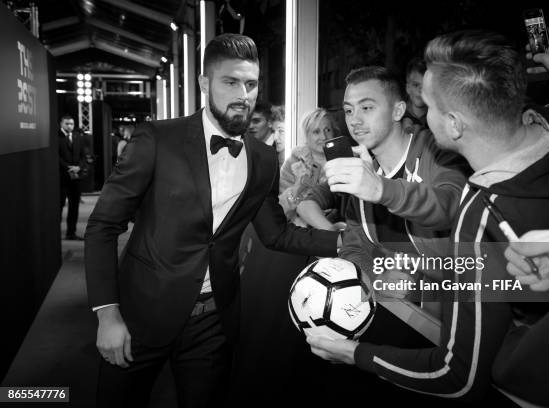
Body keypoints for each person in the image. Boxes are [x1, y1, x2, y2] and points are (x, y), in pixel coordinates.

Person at [308, 29, 549, 406]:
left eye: (428, 106)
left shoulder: (481, 217)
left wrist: (353, 354)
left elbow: (458, 376)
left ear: (453, 124)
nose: (421, 115)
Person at [85, 33, 340, 408]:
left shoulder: (264, 159)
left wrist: (348, 243)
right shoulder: (157, 139)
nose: (243, 93)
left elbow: (276, 235)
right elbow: (103, 226)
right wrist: (107, 315)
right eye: (230, 81)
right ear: (205, 84)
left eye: (251, 84)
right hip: (140, 316)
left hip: (213, 323)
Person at [313, 65, 468, 405]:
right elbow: (356, 242)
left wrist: (381, 189)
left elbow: (450, 204)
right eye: (349, 110)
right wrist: (361, 286)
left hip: (458, 320)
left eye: (367, 108)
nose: (355, 120)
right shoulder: (362, 167)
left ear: (399, 109)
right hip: (397, 314)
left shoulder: (433, 149)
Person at [278, 108, 339, 226]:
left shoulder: (345, 160)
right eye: (316, 132)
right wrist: (297, 188)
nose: (324, 136)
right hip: (301, 234)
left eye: (327, 130)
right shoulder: (293, 163)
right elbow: (280, 213)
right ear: (306, 135)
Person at [58, 114, 87, 240]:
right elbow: (55, 156)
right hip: (61, 177)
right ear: (61, 124)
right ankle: (55, 233)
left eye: (71, 124)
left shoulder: (77, 137)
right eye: (67, 123)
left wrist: (79, 167)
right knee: (58, 206)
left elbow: (83, 156)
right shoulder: (56, 137)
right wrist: (68, 167)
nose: (69, 126)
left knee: (74, 206)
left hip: (76, 177)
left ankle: (71, 233)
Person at [403, 56, 428, 132]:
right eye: (416, 85)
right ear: (408, 88)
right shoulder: (399, 114)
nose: (420, 90)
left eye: (425, 86)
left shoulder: (438, 117)